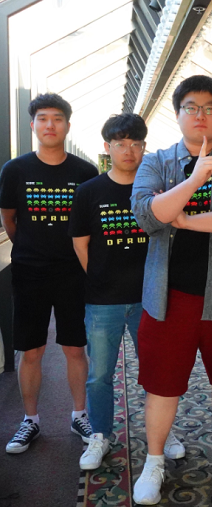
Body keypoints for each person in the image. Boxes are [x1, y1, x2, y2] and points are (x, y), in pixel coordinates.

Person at [130, 75, 212, 505]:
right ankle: (154, 461)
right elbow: (147, 215)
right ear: (178, 114)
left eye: (210, 108)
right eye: (191, 107)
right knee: (162, 384)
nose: (200, 115)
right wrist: (194, 179)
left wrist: (185, 219)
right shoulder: (157, 162)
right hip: (169, 298)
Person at [69, 113, 185, 471]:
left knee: (156, 371)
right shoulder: (90, 191)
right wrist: (100, 278)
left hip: (149, 298)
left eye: (136, 144)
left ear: (144, 147)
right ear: (108, 147)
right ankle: (100, 435)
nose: (129, 151)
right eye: (121, 144)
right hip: (103, 300)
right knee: (99, 374)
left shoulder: (157, 190)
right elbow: (80, 243)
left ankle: (163, 433)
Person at [0, 93, 98, 453]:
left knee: (75, 348)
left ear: (67, 126)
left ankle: (79, 415)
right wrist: (30, 247)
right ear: (32, 125)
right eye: (42, 118)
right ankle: (30, 420)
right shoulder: (15, 170)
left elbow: (88, 225)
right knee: (31, 350)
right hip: (30, 272)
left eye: (57, 118)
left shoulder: (84, 172)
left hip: (72, 273)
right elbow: (9, 219)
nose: (50, 125)